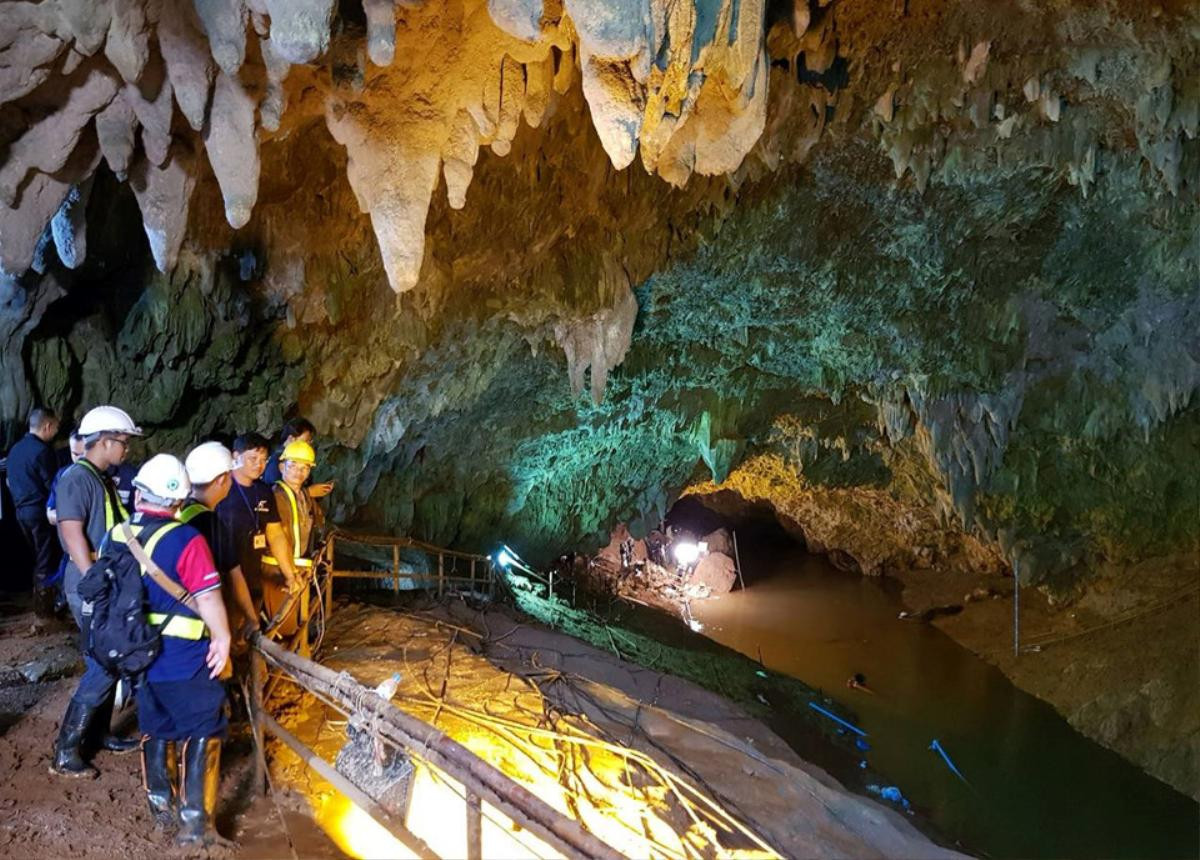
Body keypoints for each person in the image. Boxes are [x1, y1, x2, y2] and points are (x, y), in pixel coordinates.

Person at [107, 455, 231, 844]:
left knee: (156, 726)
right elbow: (208, 596)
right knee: (204, 725)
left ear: (139, 492)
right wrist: (223, 638)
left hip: (135, 654)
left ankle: (162, 811)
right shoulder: (186, 538)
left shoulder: (116, 534)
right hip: (181, 655)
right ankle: (196, 828)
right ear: (178, 503)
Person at [51, 405, 142, 777]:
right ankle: (66, 750)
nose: (127, 450)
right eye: (123, 442)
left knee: (110, 661)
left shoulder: (101, 477)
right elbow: (71, 531)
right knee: (104, 665)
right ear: (104, 441)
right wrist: (95, 580)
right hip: (90, 583)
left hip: (105, 579)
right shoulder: (77, 478)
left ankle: (100, 733)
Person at [215, 433, 299, 630]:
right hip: (224, 576)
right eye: (253, 458)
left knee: (249, 631)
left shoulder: (264, 492)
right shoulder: (221, 488)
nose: (259, 465)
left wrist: (290, 574)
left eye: (263, 460)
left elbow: (275, 534)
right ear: (235, 456)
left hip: (253, 572)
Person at [182, 441, 258, 642]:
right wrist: (251, 618)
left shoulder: (179, 510)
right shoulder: (211, 522)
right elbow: (234, 575)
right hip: (203, 622)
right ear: (222, 479)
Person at [263, 440, 324, 655]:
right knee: (283, 625)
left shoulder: (302, 495)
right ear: (282, 467)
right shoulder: (276, 495)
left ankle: (289, 673)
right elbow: (277, 536)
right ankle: (278, 680)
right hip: (279, 569)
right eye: (293, 466)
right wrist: (289, 572)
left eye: (304, 467)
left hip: (296, 567)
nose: (299, 472)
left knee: (296, 622)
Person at [5, 407, 61, 617]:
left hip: (20, 512)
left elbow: (10, 482)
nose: (56, 431)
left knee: (37, 558)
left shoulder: (15, 450)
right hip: (39, 512)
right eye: (55, 427)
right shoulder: (42, 451)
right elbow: (52, 485)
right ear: (47, 426)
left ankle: (39, 603)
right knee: (46, 559)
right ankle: (44, 612)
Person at [262, 417, 332, 497]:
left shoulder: (294, 458)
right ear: (291, 439)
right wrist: (309, 493)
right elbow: (274, 496)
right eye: (306, 441)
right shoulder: (276, 463)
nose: (309, 445)